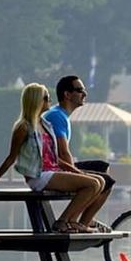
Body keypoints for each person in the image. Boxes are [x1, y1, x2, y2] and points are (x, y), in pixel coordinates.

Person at [0, 83, 103, 233]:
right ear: (37, 100)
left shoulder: (46, 125)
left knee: (100, 182)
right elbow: (11, 157)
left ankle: (72, 221)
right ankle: (63, 221)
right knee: (92, 184)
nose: (50, 101)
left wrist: (76, 171)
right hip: (39, 176)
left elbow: (54, 158)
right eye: (46, 98)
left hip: (52, 171)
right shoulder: (23, 127)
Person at [43, 75, 114, 232]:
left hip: (58, 164)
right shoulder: (57, 116)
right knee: (107, 181)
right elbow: (63, 153)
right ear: (67, 95)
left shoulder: (60, 114)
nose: (85, 94)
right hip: (54, 167)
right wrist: (78, 173)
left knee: (102, 167)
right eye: (80, 90)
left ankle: (85, 220)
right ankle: (76, 220)